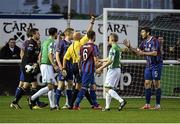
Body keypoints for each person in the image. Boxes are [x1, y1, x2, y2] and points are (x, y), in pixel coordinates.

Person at [123, 27, 163, 110]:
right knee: (147, 83)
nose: (141, 34)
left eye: (143, 32)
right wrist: (130, 47)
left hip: (156, 65)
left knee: (156, 84)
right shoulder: (144, 42)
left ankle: (158, 105)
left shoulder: (154, 40)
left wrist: (143, 53)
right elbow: (138, 52)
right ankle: (147, 104)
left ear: (148, 33)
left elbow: (155, 53)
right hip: (148, 65)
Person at [63, 16, 98, 109]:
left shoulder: (70, 46)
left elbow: (65, 58)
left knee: (82, 85)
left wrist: (63, 67)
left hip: (74, 66)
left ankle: (92, 104)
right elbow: (89, 33)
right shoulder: (81, 42)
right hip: (80, 65)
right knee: (80, 86)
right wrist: (92, 22)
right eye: (80, 34)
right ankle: (72, 104)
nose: (82, 35)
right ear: (78, 37)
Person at [28, 27, 59, 110]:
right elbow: (50, 54)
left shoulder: (45, 41)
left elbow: (40, 55)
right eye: (57, 33)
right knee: (50, 86)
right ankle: (32, 98)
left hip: (44, 65)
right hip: (47, 65)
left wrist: (40, 64)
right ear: (55, 33)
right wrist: (54, 65)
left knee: (51, 85)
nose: (57, 35)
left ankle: (52, 106)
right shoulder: (52, 42)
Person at [10, 28, 41, 109]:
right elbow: (27, 56)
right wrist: (30, 65)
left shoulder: (35, 43)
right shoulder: (31, 43)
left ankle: (16, 102)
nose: (39, 35)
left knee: (31, 84)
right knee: (28, 84)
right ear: (33, 34)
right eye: (38, 33)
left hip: (30, 66)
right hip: (28, 67)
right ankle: (33, 104)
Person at [96, 33, 127, 111]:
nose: (108, 40)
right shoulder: (118, 47)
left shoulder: (113, 48)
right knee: (109, 89)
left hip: (113, 70)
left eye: (109, 38)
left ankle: (121, 101)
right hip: (117, 69)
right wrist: (101, 60)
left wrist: (101, 68)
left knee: (106, 89)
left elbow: (110, 61)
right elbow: (109, 58)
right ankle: (107, 107)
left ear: (112, 39)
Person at [73, 30, 102, 110]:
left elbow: (79, 59)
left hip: (84, 69)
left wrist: (80, 68)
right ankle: (76, 104)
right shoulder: (94, 46)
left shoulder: (82, 46)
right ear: (93, 36)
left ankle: (95, 104)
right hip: (89, 70)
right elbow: (96, 60)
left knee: (93, 87)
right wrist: (99, 68)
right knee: (84, 88)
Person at [55, 28, 74, 109]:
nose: (73, 35)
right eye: (72, 33)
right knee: (61, 85)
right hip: (63, 67)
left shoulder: (72, 44)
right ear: (68, 34)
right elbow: (57, 56)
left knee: (69, 85)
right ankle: (56, 104)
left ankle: (68, 104)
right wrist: (61, 67)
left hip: (70, 67)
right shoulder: (61, 43)